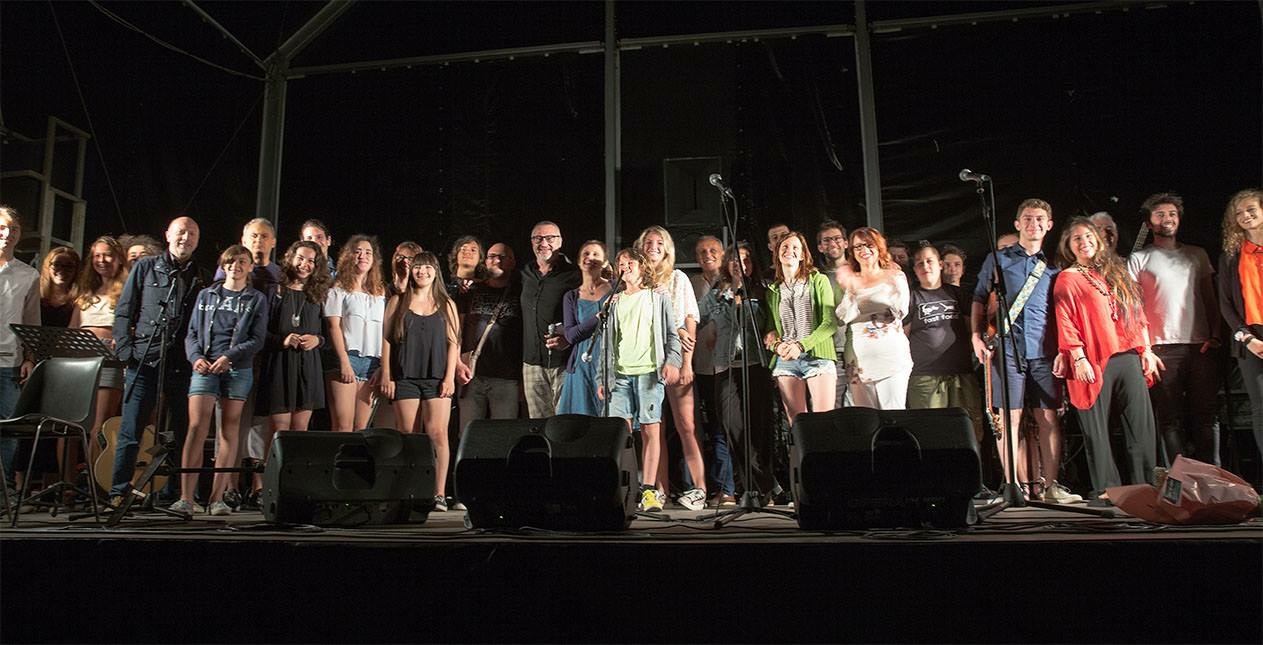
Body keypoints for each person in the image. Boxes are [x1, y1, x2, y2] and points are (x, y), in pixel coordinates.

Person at [970, 199, 1071, 502]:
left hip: (1044, 351)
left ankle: (1051, 486)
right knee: (1009, 419)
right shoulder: (998, 259)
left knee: (1048, 419)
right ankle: (1012, 487)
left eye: (1040, 219)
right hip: (1007, 350)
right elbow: (978, 298)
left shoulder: (1055, 266)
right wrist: (975, 336)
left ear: (1049, 225)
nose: (1033, 224)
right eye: (1027, 218)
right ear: (1017, 224)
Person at [1053, 217, 1159, 504]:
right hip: (1093, 360)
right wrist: (1078, 357)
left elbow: (1137, 313)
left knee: (1141, 427)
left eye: (1088, 236)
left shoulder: (1115, 272)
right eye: (1077, 238)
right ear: (1068, 245)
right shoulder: (1067, 278)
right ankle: (1108, 490)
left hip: (1129, 355)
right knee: (1097, 433)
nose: (1084, 242)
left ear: (1098, 240)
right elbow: (1065, 320)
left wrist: (1146, 350)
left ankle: (1145, 488)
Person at [110, 216, 207, 504]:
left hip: (182, 364)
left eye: (192, 234)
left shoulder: (202, 275)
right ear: (167, 235)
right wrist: (126, 352)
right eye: (181, 232)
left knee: (180, 431)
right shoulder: (145, 267)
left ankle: (172, 492)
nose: (185, 238)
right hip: (144, 359)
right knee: (131, 430)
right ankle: (119, 492)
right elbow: (125, 311)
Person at [1126, 192, 1222, 465]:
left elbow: (1210, 298)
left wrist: (1216, 335)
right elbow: (1134, 308)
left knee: (1207, 416)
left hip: (1200, 345)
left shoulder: (1197, 254)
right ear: (1149, 223)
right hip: (1161, 348)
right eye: (1160, 215)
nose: (1167, 219)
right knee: (1169, 419)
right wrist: (1145, 348)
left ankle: (1212, 476)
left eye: (1172, 214)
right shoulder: (1139, 258)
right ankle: (1178, 479)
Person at [173, 245, 268, 516]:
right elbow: (191, 333)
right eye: (230, 261)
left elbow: (257, 339)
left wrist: (229, 356)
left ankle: (217, 499)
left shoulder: (256, 299)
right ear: (223, 265)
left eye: (242, 262)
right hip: (204, 367)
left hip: (237, 369)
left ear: (250, 267)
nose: (236, 266)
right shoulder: (207, 294)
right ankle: (186, 498)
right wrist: (195, 358)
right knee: (196, 427)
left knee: (229, 430)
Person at [596, 247, 682, 513]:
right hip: (619, 374)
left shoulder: (657, 298)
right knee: (621, 433)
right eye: (621, 263)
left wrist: (673, 361)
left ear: (642, 266)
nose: (625, 267)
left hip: (649, 373)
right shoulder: (613, 302)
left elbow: (672, 334)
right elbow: (605, 344)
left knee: (650, 429)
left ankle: (649, 490)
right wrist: (602, 376)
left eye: (630, 262)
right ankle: (627, 487)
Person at [699, 242, 779, 505]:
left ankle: (755, 490)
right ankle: (763, 484)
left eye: (746, 260)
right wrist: (683, 332)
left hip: (755, 365)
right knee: (732, 427)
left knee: (757, 429)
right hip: (726, 366)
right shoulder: (717, 292)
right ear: (727, 264)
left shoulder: (762, 291)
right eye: (736, 259)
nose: (741, 265)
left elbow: (771, 324)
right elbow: (695, 316)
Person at [380, 251, 460, 511]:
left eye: (427, 267)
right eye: (417, 267)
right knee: (409, 436)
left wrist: (449, 377)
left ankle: (438, 494)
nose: (422, 271)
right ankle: (411, 492)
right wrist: (387, 375)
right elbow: (387, 341)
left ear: (436, 271)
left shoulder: (446, 304)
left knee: (438, 434)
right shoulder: (398, 301)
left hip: (437, 378)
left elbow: (454, 343)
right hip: (405, 377)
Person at [251, 241, 331, 499]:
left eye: (311, 261)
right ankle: (264, 487)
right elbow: (260, 332)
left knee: (299, 432)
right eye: (301, 258)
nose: (305, 265)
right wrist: (282, 340)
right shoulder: (275, 289)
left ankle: (292, 487)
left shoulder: (319, 293)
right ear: (290, 257)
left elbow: (328, 334)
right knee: (279, 429)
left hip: (308, 366)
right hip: (280, 363)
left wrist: (317, 340)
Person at [636, 226, 706, 510]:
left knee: (686, 425)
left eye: (659, 242)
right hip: (645, 362)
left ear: (667, 248)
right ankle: (659, 490)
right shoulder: (636, 280)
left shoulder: (678, 278)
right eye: (648, 242)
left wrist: (687, 363)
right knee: (654, 429)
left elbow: (690, 320)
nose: (654, 246)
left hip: (675, 359)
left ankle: (699, 489)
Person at [905, 244, 985, 440]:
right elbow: (902, 337)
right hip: (924, 377)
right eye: (919, 263)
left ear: (940, 264)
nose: (925, 266)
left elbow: (975, 327)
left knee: (969, 431)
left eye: (929, 261)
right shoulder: (911, 297)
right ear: (914, 270)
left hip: (961, 374)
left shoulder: (957, 295)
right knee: (929, 434)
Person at [764, 231, 838, 421]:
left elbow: (830, 323)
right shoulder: (773, 291)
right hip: (786, 360)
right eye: (785, 247)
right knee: (797, 425)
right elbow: (771, 330)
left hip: (817, 357)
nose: (790, 250)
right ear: (777, 253)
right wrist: (776, 346)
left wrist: (801, 345)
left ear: (803, 254)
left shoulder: (818, 280)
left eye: (795, 247)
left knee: (823, 422)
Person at [836, 227, 911, 409]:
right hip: (858, 361)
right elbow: (842, 316)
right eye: (858, 246)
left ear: (879, 247)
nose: (864, 250)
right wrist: (853, 290)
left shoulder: (894, 276)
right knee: (866, 420)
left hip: (890, 357)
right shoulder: (851, 281)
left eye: (869, 245)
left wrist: (867, 302)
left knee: (893, 415)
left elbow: (901, 310)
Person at [70, 237, 128, 466]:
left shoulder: (128, 289)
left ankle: (95, 480)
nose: (102, 260)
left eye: (108, 255)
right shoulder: (86, 290)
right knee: (72, 423)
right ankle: (70, 480)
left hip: (109, 356)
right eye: (97, 256)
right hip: (81, 355)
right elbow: (73, 327)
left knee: (100, 423)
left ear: (119, 259)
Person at [324, 235, 387, 432]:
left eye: (368, 252)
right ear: (349, 256)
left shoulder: (380, 292)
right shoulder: (338, 288)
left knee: (361, 429)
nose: (363, 256)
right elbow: (333, 326)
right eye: (358, 251)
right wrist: (344, 362)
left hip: (372, 364)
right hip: (347, 359)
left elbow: (385, 330)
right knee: (343, 426)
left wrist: (382, 366)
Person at [1218, 188, 1263, 460]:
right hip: (1250, 339)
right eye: (1239, 213)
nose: (1245, 216)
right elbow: (1226, 305)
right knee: (1260, 408)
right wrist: (1247, 339)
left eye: (1251, 209)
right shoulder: (1231, 255)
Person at [690, 235, 736, 506]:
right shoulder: (691, 284)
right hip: (701, 368)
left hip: (730, 367)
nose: (708, 255)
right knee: (711, 428)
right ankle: (716, 488)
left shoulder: (733, 280)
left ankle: (729, 489)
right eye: (702, 252)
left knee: (727, 428)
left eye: (713, 250)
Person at [456, 242, 523, 421]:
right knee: (468, 431)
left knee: (502, 432)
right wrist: (457, 363)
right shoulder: (470, 290)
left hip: (507, 378)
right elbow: (457, 329)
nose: (497, 260)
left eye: (503, 257)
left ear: (513, 262)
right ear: (485, 261)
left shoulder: (522, 292)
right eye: (492, 256)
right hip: (471, 375)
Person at [520, 221, 581, 418]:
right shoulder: (524, 273)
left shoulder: (575, 275)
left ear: (560, 241)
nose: (544, 243)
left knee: (565, 424)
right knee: (538, 425)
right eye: (538, 238)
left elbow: (587, 313)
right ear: (531, 242)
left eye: (550, 238)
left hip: (564, 363)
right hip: (532, 364)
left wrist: (569, 338)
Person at [0, 207, 41, 491]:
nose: (7, 234)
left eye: (13, 229)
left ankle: (4, 490)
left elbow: (31, 322)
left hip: (9, 362)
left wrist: (29, 357)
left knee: (8, 429)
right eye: (2, 227)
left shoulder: (28, 274)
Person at [558, 240, 612, 416]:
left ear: (605, 261)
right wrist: (598, 318)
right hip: (581, 368)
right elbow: (571, 335)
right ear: (579, 261)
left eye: (596, 254)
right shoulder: (571, 296)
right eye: (586, 254)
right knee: (581, 422)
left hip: (609, 364)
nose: (590, 257)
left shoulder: (616, 290)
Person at [817, 219, 852, 407]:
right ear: (820, 247)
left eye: (837, 238)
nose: (833, 243)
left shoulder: (861, 272)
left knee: (862, 410)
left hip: (859, 350)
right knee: (831, 410)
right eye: (827, 240)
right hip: (831, 353)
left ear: (846, 243)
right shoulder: (817, 278)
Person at [39, 247, 80, 328]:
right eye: (56, 264)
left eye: (69, 266)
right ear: (47, 267)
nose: (62, 270)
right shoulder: (36, 296)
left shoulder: (80, 300)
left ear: (77, 270)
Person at [447, 235, 483, 302]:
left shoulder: (484, 289)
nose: (468, 252)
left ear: (480, 258)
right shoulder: (443, 286)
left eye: (473, 250)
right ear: (455, 255)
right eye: (463, 249)